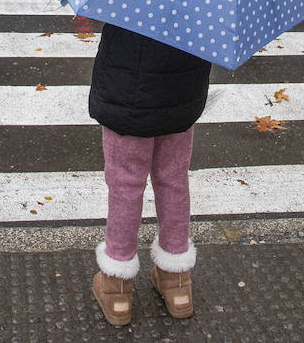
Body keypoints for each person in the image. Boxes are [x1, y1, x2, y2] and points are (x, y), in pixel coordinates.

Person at [88, 22, 212, 326]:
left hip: (126, 94)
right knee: (174, 180)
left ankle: (117, 288)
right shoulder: (203, 1)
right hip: (181, 97)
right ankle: (176, 282)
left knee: (125, 185)